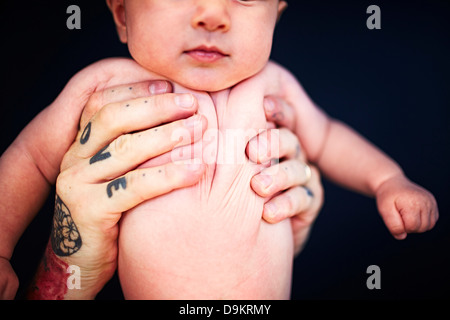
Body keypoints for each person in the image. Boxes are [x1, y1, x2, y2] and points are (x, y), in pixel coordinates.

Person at [2, 0, 439, 299]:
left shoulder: (276, 87)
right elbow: (31, 158)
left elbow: (327, 136)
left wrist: (387, 179)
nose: (212, 15)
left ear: (275, 16)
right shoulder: (106, 86)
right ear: (122, 14)